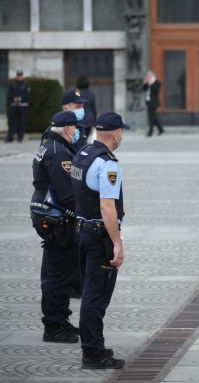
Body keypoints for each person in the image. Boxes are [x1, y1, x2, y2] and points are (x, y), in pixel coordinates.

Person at [71, 112, 129, 369]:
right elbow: (107, 207)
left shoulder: (83, 154)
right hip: (98, 235)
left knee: (90, 294)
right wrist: (116, 242)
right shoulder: (107, 164)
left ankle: (93, 347)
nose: (122, 136)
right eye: (122, 131)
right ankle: (93, 353)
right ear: (116, 133)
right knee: (96, 296)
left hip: (82, 230)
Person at [30, 111, 81, 343]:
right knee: (59, 274)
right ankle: (53, 326)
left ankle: (60, 319)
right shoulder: (59, 152)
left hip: (48, 213)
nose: (77, 131)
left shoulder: (50, 145)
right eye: (75, 127)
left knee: (60, 271)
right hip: (55, 217)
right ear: (68, 129)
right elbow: (66, 193)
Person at [5, 70, 30, 143]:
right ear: (17, 76)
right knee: (12, 122)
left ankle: (20, 137)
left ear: (22, 76)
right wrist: (14, 98)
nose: (19, 77)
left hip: (23, 106)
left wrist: (20, 98)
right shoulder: (12, 84)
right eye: (18, 76)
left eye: (20, 76)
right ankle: (10, 137)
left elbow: (27, 95)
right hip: (14, 106)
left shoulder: (26, 85)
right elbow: (9, 94)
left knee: (21, 122)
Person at [76, 76, 97, 147]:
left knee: (79, 139)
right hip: (90, 120)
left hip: (79, 119)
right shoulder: (91, 93)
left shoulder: (77, 93)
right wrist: (95, 122)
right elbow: (93, 108)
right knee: (87, 138)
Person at [143, 71, 164, 137]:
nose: (148, 77)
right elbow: (144, 89)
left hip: (154, 102)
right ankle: (160, 129)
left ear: (152, 76)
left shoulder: (157, 83)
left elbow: (155, 91)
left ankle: (150, 132)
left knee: (151, 117)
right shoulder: (148, 83)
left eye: (149, 76)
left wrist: (150, 84)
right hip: (149, 102)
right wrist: (145, 83)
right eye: (147, 76)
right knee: (153, 117)